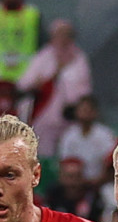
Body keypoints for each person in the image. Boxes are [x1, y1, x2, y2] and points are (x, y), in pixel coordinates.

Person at [18, 19, 91, 154]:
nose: (63, 39)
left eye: (67, 35)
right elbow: (24, 83)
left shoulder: (79, 58)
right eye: (60, 34)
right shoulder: (43, 57)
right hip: (44, 117)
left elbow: (85, 88)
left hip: (70, 117)